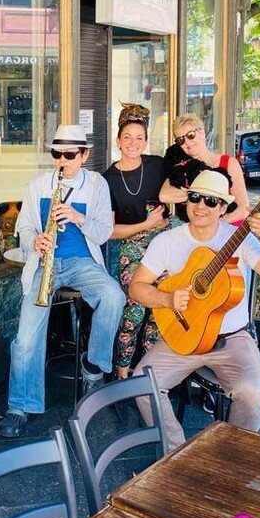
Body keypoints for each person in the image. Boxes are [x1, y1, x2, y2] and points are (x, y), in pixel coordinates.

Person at [129, 170, 260, 451]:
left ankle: (228, 461)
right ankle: (176, 457)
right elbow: (137, 288)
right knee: (142, 383)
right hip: (185, 335)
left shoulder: (239, 240)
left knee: (251, 396)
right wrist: (166, 300)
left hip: (232, 338)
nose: (201, 206)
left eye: (211, 202)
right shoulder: (167, 241)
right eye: (195, 198)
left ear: (224, 208)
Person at [0, 125, 125, 438]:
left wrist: (79, 219)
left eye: (69, 155)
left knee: (114, 296)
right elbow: (24, 229)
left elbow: (104, 231)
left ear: (84, 155)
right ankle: (19, 406)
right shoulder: (38, 184)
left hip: (82, 262)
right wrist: (34, 243)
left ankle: (93, 366)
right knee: (26, 336)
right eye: (57, 154)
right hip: (45, 263)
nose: (62, 161)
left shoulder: (96, 184)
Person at [103, 103, 168, 379]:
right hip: (130, 246)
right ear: (118, 141)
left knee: (161, 307)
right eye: (127, 137)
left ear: (146, 141)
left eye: (139, 137)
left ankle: (149, 372)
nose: (133, 143)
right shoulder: (107, 179)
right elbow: (109, 231)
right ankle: (122, 371)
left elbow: (180, 189)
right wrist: (145, 224)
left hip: (163, 243)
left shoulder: (157, 165)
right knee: (135, 308)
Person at [160, 113, 250, 225]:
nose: (187, 142)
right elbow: (164, 196)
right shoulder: (182, 167)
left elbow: (243, 210)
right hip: (196, 235)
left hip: (229, 232)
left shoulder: (228, 163)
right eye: (181, 140)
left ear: (202, 132)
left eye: (191, 135)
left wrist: (209, 225)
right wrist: (197, 193)